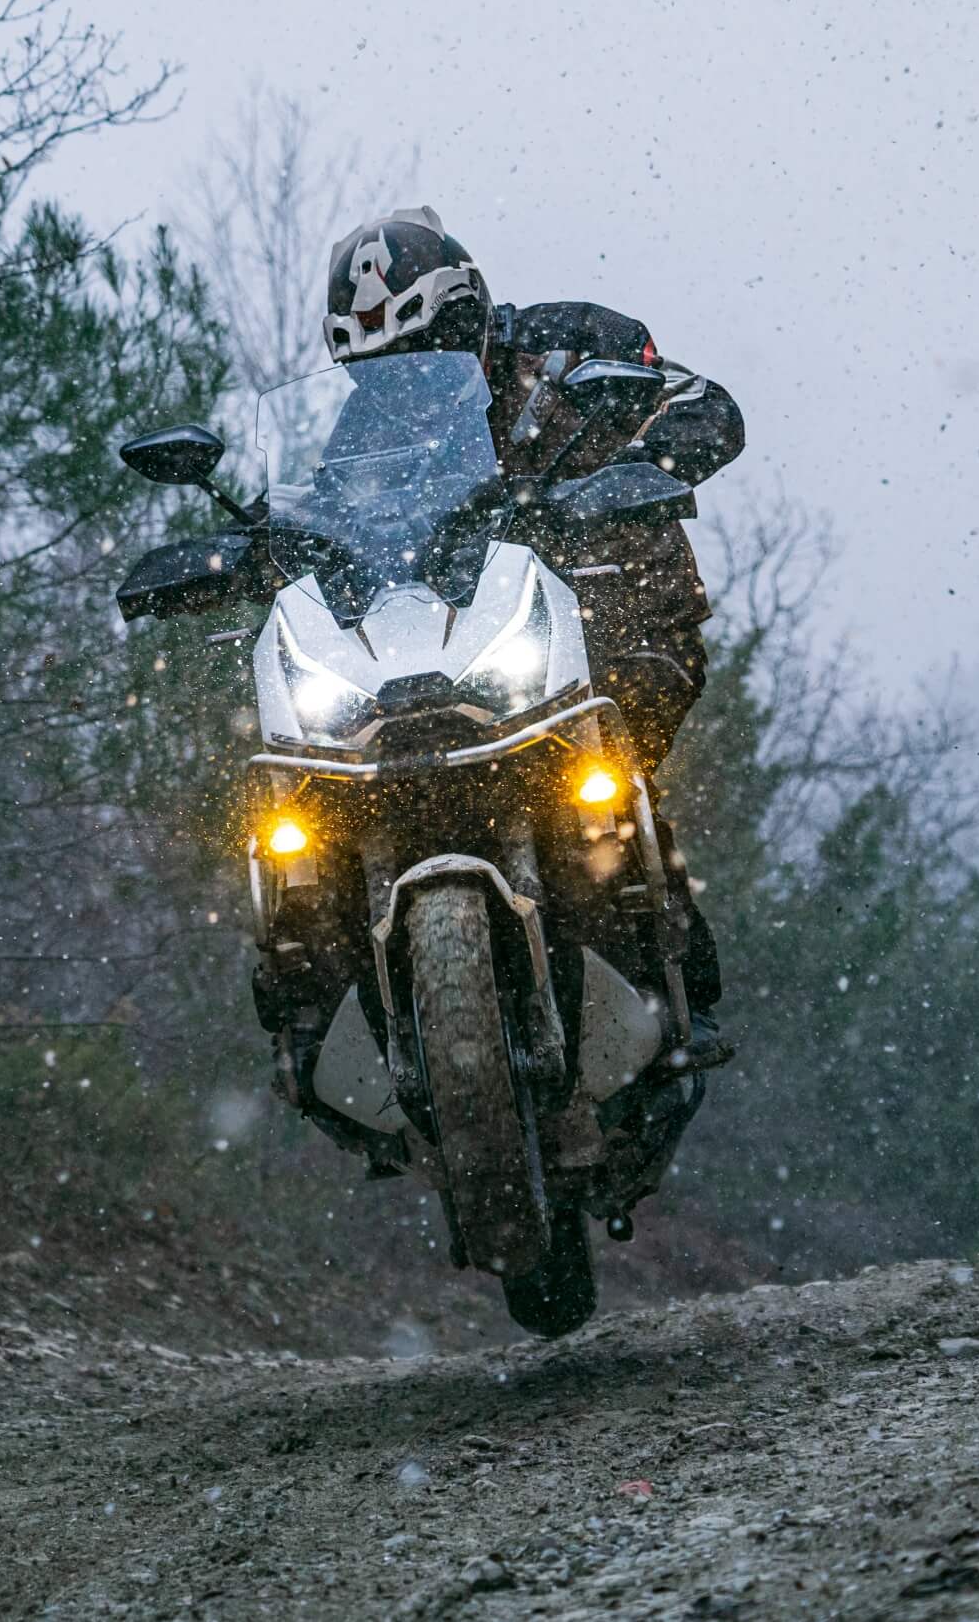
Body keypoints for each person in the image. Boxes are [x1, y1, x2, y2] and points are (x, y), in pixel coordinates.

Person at [260, 207, 737, 1165]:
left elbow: (710, 410)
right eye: (379, 363)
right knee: (311, 812)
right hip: (468, 656)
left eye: (429, 341)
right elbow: (324, 527)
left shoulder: (574, 348)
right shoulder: (365, 432)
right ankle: (329, 1019)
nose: (407, 375)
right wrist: (250, 552)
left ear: (470, 309)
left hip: (620, 607)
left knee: (613, 774)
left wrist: (631, 466)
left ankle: (668, 973)